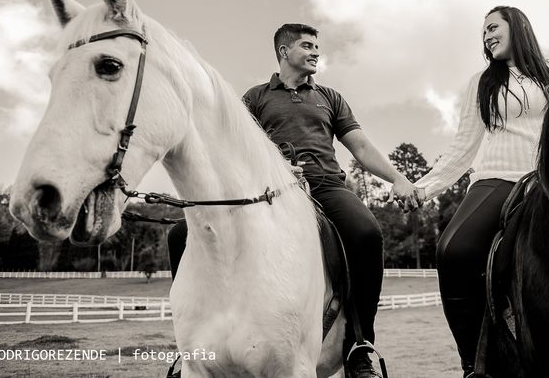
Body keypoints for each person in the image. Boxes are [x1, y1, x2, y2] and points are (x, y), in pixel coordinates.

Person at [168, 23, 416, 378]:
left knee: (367, 234)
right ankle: (189, 346)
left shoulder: (330, 97)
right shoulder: (254, 98)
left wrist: (397, 178)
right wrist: (280, 169)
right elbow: (232, 148)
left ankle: (359, 346)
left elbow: (359, 146)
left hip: (326, 185)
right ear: (284, 52)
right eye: (307, 45)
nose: (316, 51)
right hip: (267, 192)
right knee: (179, 234)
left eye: (317, 46)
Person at [403, 6, 549, 377]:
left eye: (492, 27)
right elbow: (462, 148)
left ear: (517, 27)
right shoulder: (481, 82)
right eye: (483, 32)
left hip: (548, 182)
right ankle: (474, 363)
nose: (486, 36)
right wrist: (423, 188)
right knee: (452, 250)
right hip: (497, 178)